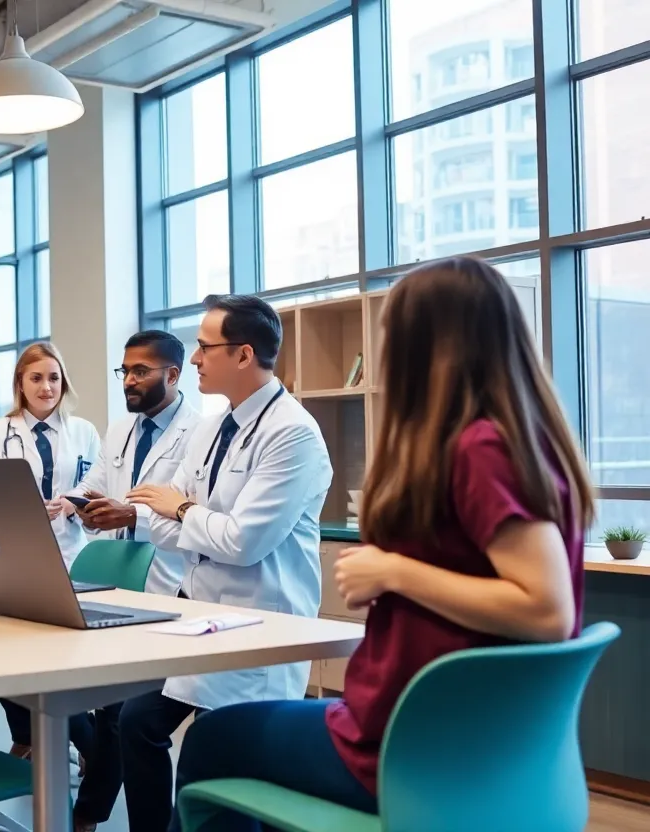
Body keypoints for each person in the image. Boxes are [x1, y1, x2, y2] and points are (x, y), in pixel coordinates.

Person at [169, 257, 591, 832]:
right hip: (451, 735)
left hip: (398, 746)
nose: (384, 349)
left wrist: (394, 571)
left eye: (391, 334)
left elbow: (546, 608)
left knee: (212, 742)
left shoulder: (480, 449)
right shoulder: (519, 443)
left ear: (430, 346)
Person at [123, 294, 332, 832]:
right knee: (137, 720)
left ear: (243, 355)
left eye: (203, 347)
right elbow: (162, 522)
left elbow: (243, 542)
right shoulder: (214, 427)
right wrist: (189, 517)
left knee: (212, 770)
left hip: (257, 627)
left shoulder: (293, 434)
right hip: (201, 616)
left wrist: (186, 510)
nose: (193, 359)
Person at [64, 329, 201, 831]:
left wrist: (129, 516)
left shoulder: (197, 432)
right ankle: (93, 816)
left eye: (139, 371)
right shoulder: (120, 428)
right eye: (124, 370)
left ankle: (95, 817)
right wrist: (78, 504)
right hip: (118, 585)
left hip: (168, 584)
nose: (128, 380)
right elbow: (97, 482)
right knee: (116, 717)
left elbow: (186, 513)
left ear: (172, 374)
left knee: (128, 718)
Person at [0, 341, 101, 761]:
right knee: (4, 658)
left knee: (63, 661)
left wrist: (73, 502)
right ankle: (38, 735)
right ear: (20, 384)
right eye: (37, 378)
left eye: (54, 377)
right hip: (15, 559)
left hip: (70, 553)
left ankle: (82, 744)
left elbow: (94, 488)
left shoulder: (83, 430)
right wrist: (24, 510)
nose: (47, 387)